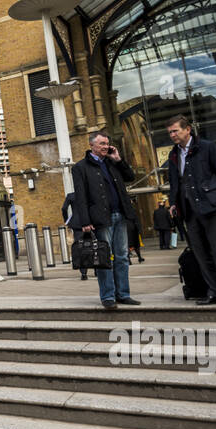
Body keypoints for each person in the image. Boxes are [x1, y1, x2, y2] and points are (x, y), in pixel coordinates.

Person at [166, 116, 216, 308]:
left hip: (211, 208)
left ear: (187, 129)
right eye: (170, 132)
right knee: (200, 253)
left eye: (175, 130)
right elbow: (175, 182)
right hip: (189, 212)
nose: (172, 135)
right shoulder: (173, 155)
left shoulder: (207, 147)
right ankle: (214, 291)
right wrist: (173, 202)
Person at [70, 131, 141, 310]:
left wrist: (118, 159)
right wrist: (85, 221)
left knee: (122, 257)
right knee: (104, 258)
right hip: (102, 219)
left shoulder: (112, 162)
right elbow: (81, 197)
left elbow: (130, 177)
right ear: (92, 145)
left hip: (120, 215)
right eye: (102, 143)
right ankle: (108, 296)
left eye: (107, 143)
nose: (105, 146)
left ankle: (123, 294)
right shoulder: (80, 167)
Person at [62, 191, 87, 280]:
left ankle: (84, 273)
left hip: (77, 225)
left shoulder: (71, 196)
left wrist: (67, 221)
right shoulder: (87, 193)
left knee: (80, 248)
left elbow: (64, 208)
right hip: (90, 222)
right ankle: (96, 270)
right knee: (93, 245)